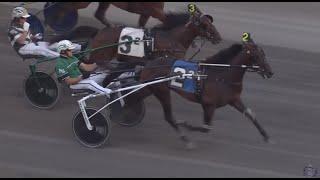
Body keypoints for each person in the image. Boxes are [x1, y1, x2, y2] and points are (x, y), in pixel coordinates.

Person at [7, 6, 81, 59]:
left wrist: (35, 36)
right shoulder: (12, 29)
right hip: (23, 49)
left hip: (33, 44)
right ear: (16, 17)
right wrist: (26, 30)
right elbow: (21, 41)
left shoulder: (23, 25)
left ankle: (78, 47)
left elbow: (29, 37)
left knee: (52, 45)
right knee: (41, 50)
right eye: (23, 17)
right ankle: (62, 56)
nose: (25, 19)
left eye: (25, 17)